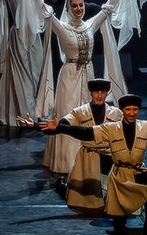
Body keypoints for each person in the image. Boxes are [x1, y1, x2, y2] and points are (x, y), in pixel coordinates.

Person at [29, 94, 147, 235]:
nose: (131, 113)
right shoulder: (111, 128)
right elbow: (86, 133)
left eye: (135, 109)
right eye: (128, 109)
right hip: (120, 174)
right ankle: (119, 227)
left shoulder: (145, 127)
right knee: (119, 218)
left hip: (137, 170)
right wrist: (59, 128)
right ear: (123, 111)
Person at [24, 0, 141, 181]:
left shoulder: (89, 25)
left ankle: (88, 160)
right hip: (69, 76)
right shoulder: (62, 27)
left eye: (80, 5)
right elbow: (44, 11)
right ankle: (67, 161)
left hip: (88, 76)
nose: (78, 9)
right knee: (69, 115)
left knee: (88, 117)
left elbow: (108, 8)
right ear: (68, 8)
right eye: (74, 6)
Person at [25, 78, 123, 210]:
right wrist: (35, 125)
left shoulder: (116, 113)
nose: (99, 96)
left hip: (109, 156)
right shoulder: (80, 111)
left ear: (107, 93)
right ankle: (61, 186)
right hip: (89, 157)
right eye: (96, 92)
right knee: (82, 197)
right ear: (91, 93)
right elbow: (58, 127)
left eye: (103, 92)